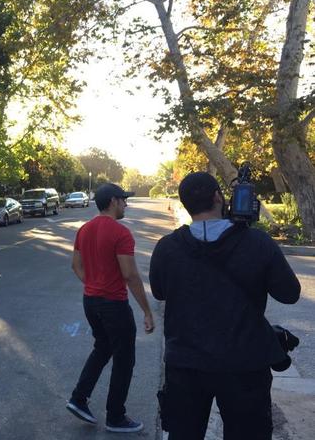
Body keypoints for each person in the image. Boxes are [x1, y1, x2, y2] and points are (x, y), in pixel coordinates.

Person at [149, 172, 301, 440]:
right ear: (219, 197)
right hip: (245, 365)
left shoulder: (167, 248)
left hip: (185, 365)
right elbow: (289, 294)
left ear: (184, 204)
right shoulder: (257, 242)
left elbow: (160, 293)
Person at [66, 183, 155, 433]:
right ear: (114, 201)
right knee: (125, 359)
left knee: (103, 348)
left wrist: (94, 284)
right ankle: (116, 416)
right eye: (124, 200)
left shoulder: (84, 229)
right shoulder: (120, 233)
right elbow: (130, 275)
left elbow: (76, 266)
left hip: (90, 302)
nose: (126, 204)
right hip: (114, 305)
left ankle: (78, 398)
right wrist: (147, 311)